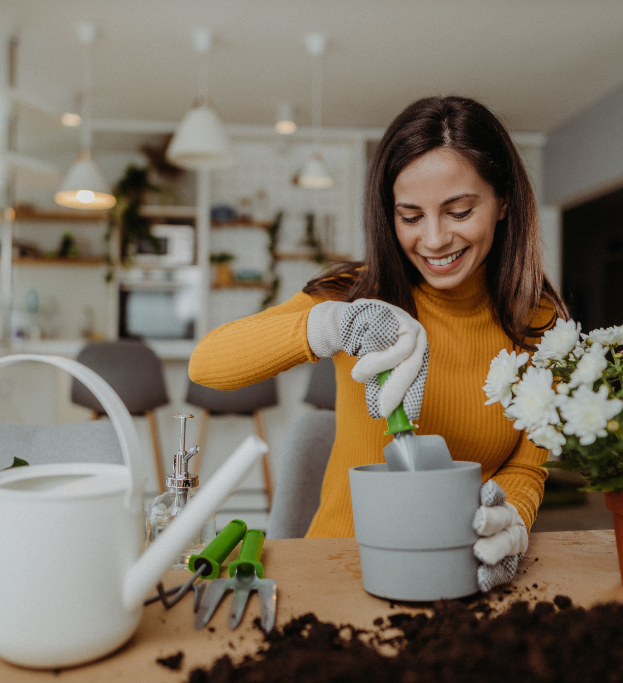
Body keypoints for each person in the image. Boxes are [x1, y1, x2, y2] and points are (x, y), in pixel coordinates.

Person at [189, 95, 566, 591]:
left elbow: (525, 467)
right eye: (410, 216)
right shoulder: (356, 296)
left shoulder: (540, 324)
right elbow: (206, 364)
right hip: (335, 569)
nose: (434, 239)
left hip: (458, 574)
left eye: (458, 211)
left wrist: (509, 520)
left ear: (503, 202)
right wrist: (331, 325)